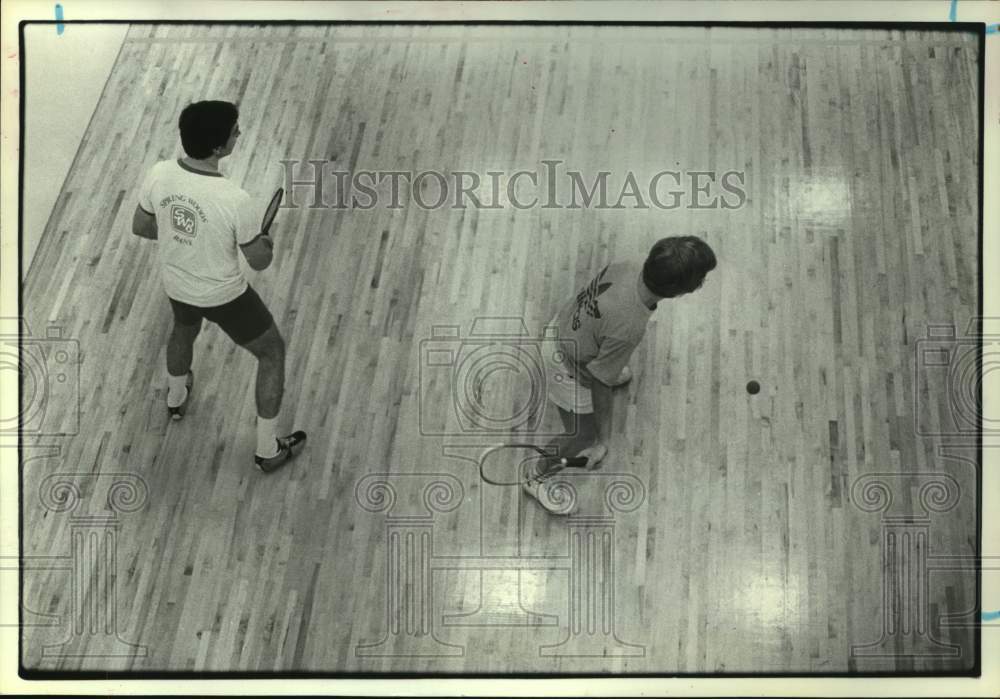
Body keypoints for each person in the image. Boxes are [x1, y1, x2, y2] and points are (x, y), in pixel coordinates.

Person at [131, 100, 306, 473]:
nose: (239, 134)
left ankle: (176, 397)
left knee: (183, 329)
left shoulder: (160, 173)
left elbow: (143, 227)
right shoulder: (234, 200)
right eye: (234, 131)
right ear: (217, 147)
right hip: (225, 297)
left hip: (177, 282)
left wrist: (188, 237)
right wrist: (264, 242)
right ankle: (268, 449)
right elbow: (259, 262)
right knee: (272, 352)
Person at [525, 236, 717, 513]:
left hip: (565, 327)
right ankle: (537, 476)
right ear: (681, 290)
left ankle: (605, 362)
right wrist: (603, 441)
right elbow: (600, 382)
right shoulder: (628, 327)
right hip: (565, 367)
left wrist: (606, 365)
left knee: (609, 367)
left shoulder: (630, 264)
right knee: (581, 435)